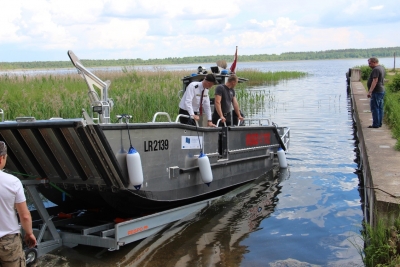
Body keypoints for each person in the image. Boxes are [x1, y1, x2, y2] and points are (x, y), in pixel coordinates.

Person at [0, 141, 37, 267]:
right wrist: (29, 233)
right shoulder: (13, 182)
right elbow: (24, 215)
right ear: (1, 158)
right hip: (8, 242)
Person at [367, 57, 385, 128]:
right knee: (380, 108)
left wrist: (370, 91)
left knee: (375, 108)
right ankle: (379, 123)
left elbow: (375, 81)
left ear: (374, 62)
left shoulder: (376, 69)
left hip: (376, 91)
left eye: (370, 63)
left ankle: (376, 124)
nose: (369, 65)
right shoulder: (381, 68)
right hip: (381, 90)